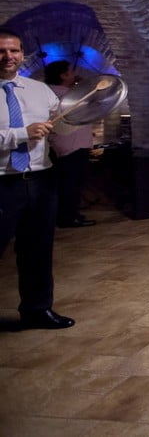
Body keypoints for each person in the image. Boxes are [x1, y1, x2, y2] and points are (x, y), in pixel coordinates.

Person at [0, 27, 76, 329]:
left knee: (37, 249)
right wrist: (22, 134)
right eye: (1, 51)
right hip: (3, 182)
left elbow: (62, 125)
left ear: (22, 54)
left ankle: (37, 309)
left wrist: (81, 115)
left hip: (40, 179)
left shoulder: (38, 90)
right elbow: (26, 132)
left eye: (14, 50)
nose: (8, 56)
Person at [43, 61, 96, 228]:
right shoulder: (67, 95)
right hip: (72, 145)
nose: (74, 74)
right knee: (71, 184)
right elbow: (92, 107)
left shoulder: (49, 92)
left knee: (67, 183)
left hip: (63, 144)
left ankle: (69, 214)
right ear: (63, 75)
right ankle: (68, 217)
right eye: (71, 72)